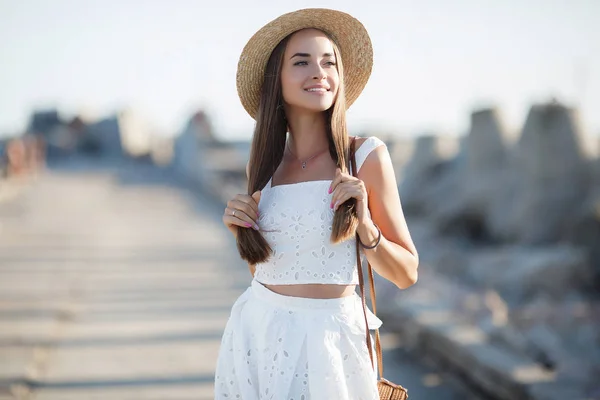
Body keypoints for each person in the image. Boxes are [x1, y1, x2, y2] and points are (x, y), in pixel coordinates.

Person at [215, 8, 419, 399]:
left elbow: (407, 274)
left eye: (329, 62)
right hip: (258, 337)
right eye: (302, 61)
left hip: (333, 346)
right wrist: (241, 232)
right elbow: (277, 270)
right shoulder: (261, 167)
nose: (319, 72)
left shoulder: (365, 156)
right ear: (277, 79)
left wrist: (365, 226)